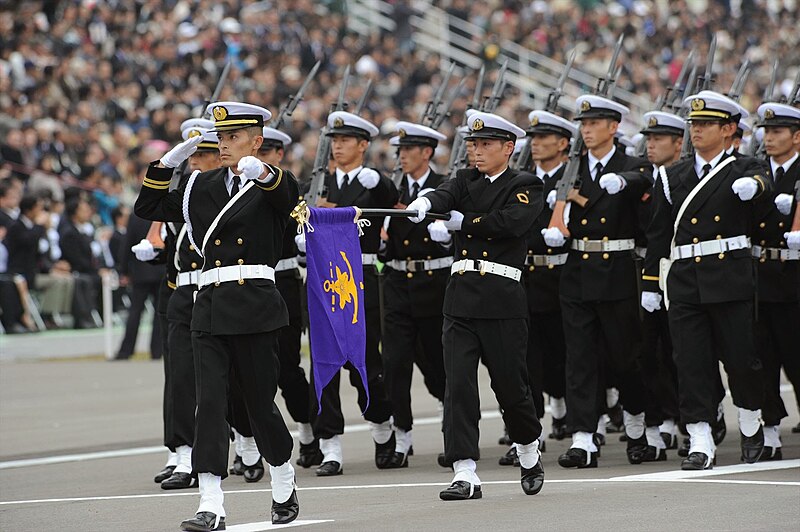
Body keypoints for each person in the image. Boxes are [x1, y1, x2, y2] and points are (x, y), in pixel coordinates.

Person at [135, 101, 300, 529]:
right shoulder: (199, 187)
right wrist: (165, 165)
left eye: (233, 138)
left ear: (256, 141)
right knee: (209, 404)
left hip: (256, 306)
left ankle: (283, 474)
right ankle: (211, 502)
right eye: (220, 138)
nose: (223, 145)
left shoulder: (273, 184)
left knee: (259, 404)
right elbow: (148, 209)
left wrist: (261, 173)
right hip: (207, 307)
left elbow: (288, 196)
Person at [407, 111, 545, 500]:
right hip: (461, 298)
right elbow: (444, 194)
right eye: (473, 144)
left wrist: (462, 222)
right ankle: (464, 471)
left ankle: (528, 448)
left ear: (508, 147)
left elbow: (510, 223)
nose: (477, 151)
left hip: (502, 299)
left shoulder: (526, 184)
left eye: (486, 145)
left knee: (511, 387)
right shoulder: (465, 181)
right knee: (459, 388)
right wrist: (425, 201)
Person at [642, 90, 771, 470]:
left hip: (729, 276)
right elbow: (658, 235)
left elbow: (765, 187)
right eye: (693, 125)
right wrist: (651, 282)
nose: (696, 131)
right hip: (685, 281)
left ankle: (750, 421)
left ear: (728, 129)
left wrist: (755, 190)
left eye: (706, 125)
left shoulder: (746, 168)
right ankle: (699, 436)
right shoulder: (671, 175)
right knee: (691, 363)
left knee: (742, 360)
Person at [542, 94, 652, 469]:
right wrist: (557, 230)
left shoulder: (630, 165)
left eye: (593, 124)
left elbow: (647, 177)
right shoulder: (570, 170)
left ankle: (637, 426)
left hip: (617, 272)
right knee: (580, 359)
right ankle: (583, 437)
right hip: (576, 273)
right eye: (583, 124)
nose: (586, 130)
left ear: (613, 127)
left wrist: (624, 180)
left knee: (625, 358)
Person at [302, 110, 398, 477]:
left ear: (362, 145)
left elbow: (395, 200)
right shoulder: (318, 184)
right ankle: (330, 446)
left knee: (365, 361)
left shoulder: (373, 182)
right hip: (325, 281)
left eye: (344, 141)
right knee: (323, 364)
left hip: (361, 280)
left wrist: (382, 182)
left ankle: (381, 427)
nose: (337, 146)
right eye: (334, 141)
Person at [498, 110, 576, 468]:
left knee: (565, 357)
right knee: (525, 363)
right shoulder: (523, 180)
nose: (537, 144)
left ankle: (573, 417)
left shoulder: (574, 178)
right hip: (526, 279)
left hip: (563, 279)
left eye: (545, 138)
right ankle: (530, 434)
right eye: (534, 138)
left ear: (563, 144)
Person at [381, 121, 450, 468]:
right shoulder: (392, 189)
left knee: (439, 365)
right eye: (399, 151)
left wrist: (447, 237)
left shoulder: (445, 187)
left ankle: (451, 424)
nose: (402, 156)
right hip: (396, 285)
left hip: (435, 285)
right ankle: (402, 437)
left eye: (409, 150)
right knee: (394, 365)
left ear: (427, 152)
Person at [256, 126, 320, 469]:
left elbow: (301, 219)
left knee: (287, 369)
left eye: (266, 152)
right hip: (247, 284)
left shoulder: (284, 185)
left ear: (279, 155)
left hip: (282, 280)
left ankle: (308, 429)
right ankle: (249, 446)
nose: (259, 158)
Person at [751, 102, 800, 460]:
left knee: (796, 357)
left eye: (777, 132)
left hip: (795, 277)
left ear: (796, 137)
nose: (769, 138)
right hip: (760, 278)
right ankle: (770, 431)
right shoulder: (753, 172)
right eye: (766, 132)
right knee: (762, 358)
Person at [115, 211, 165, 360]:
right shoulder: (164, 211)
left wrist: (123, 269)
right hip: (161, 269)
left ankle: (126, 351)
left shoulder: (136, 214)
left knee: (135, 311)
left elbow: (128, 242)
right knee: (159, 313)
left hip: (141, 271)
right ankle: (157, 351)